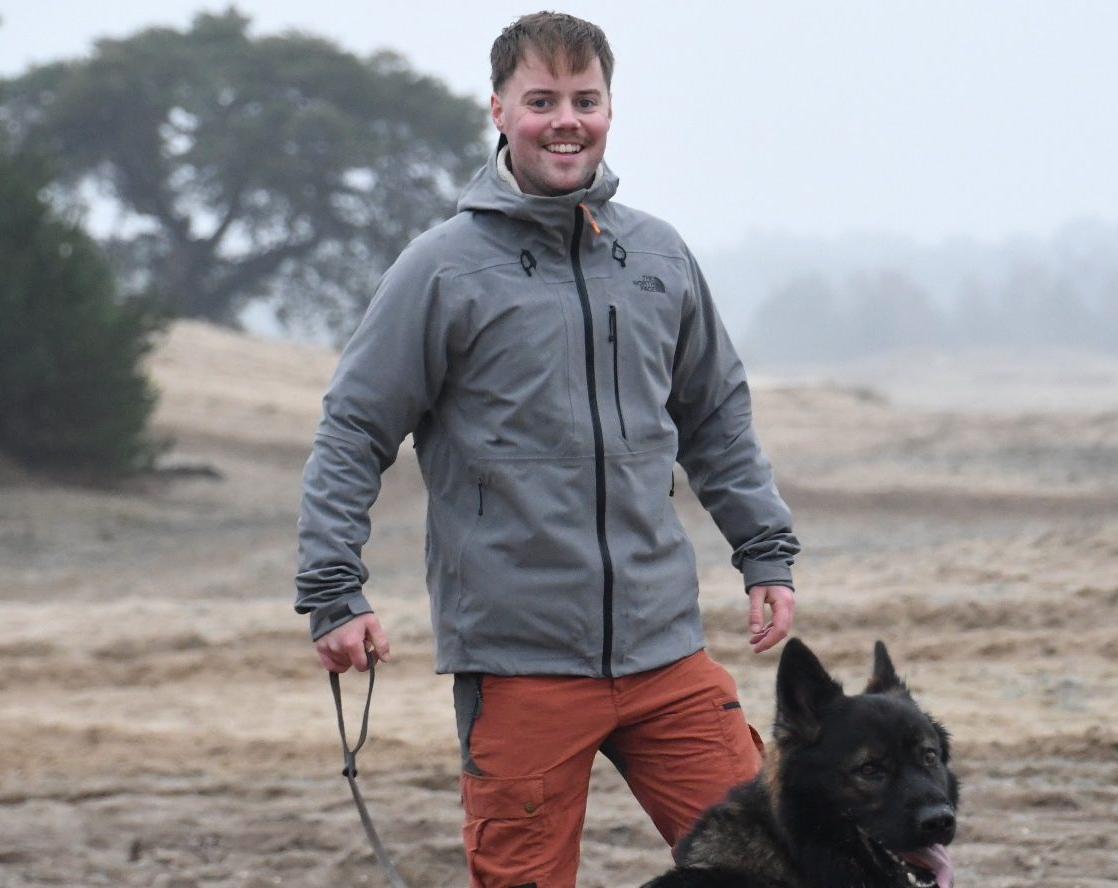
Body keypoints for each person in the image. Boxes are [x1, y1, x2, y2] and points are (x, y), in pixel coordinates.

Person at [295, 12, 799, 887]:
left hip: (665, 653)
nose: (565, 119)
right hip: (519, 664)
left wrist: (765, 552)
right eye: (541, 100)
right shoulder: (443, 268)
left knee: (776, 869)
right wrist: (333, 593)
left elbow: (715, 415)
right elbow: (354, 428)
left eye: (584, 99)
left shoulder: (659, 256)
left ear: (609, 108)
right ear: (498, 109)